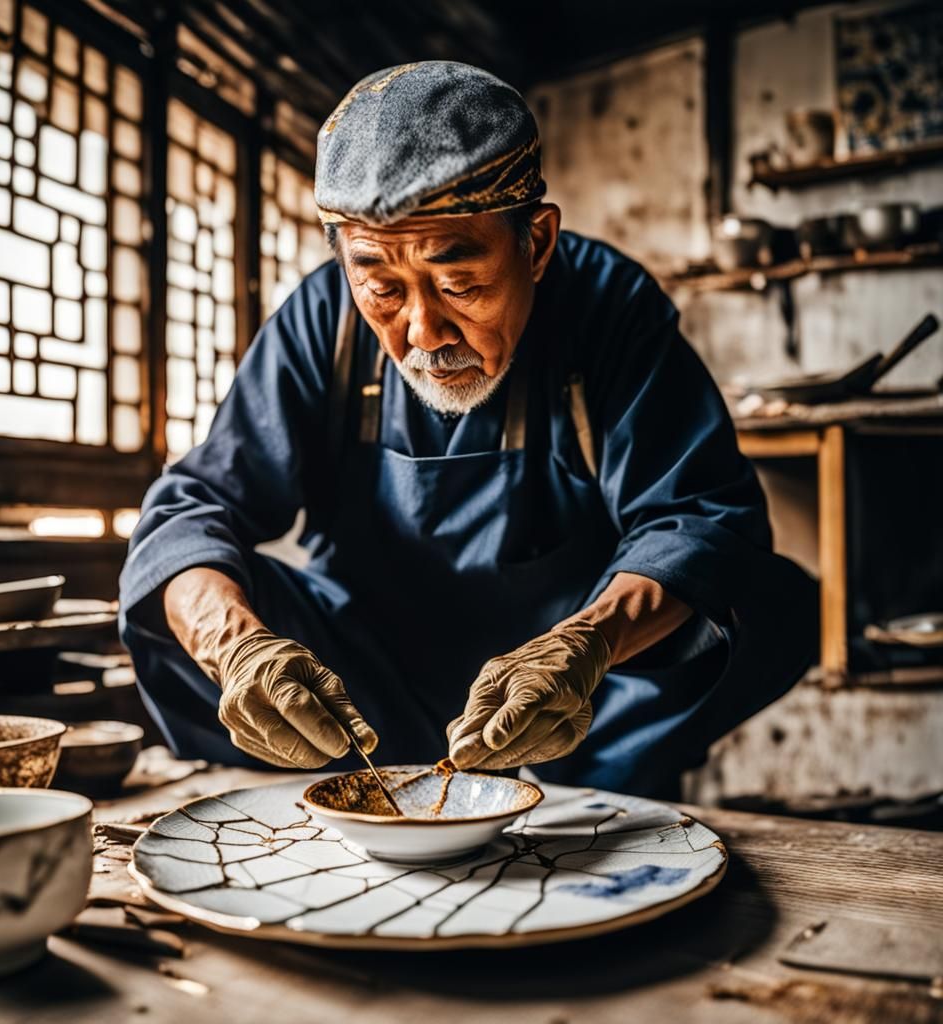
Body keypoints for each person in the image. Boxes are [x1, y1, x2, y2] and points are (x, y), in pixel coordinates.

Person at [119, 61, 816, 797]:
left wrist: (584, 646)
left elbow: (697, 517)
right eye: (382, 287)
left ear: (537, 244)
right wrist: (239, 652)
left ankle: (595, 784)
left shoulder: (606, 306)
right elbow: (191, 510)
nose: (423, 331)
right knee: (200, 591)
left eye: (460, 283)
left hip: (576, 701)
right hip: (364, 695)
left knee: (761, 597)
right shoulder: (322, 321)